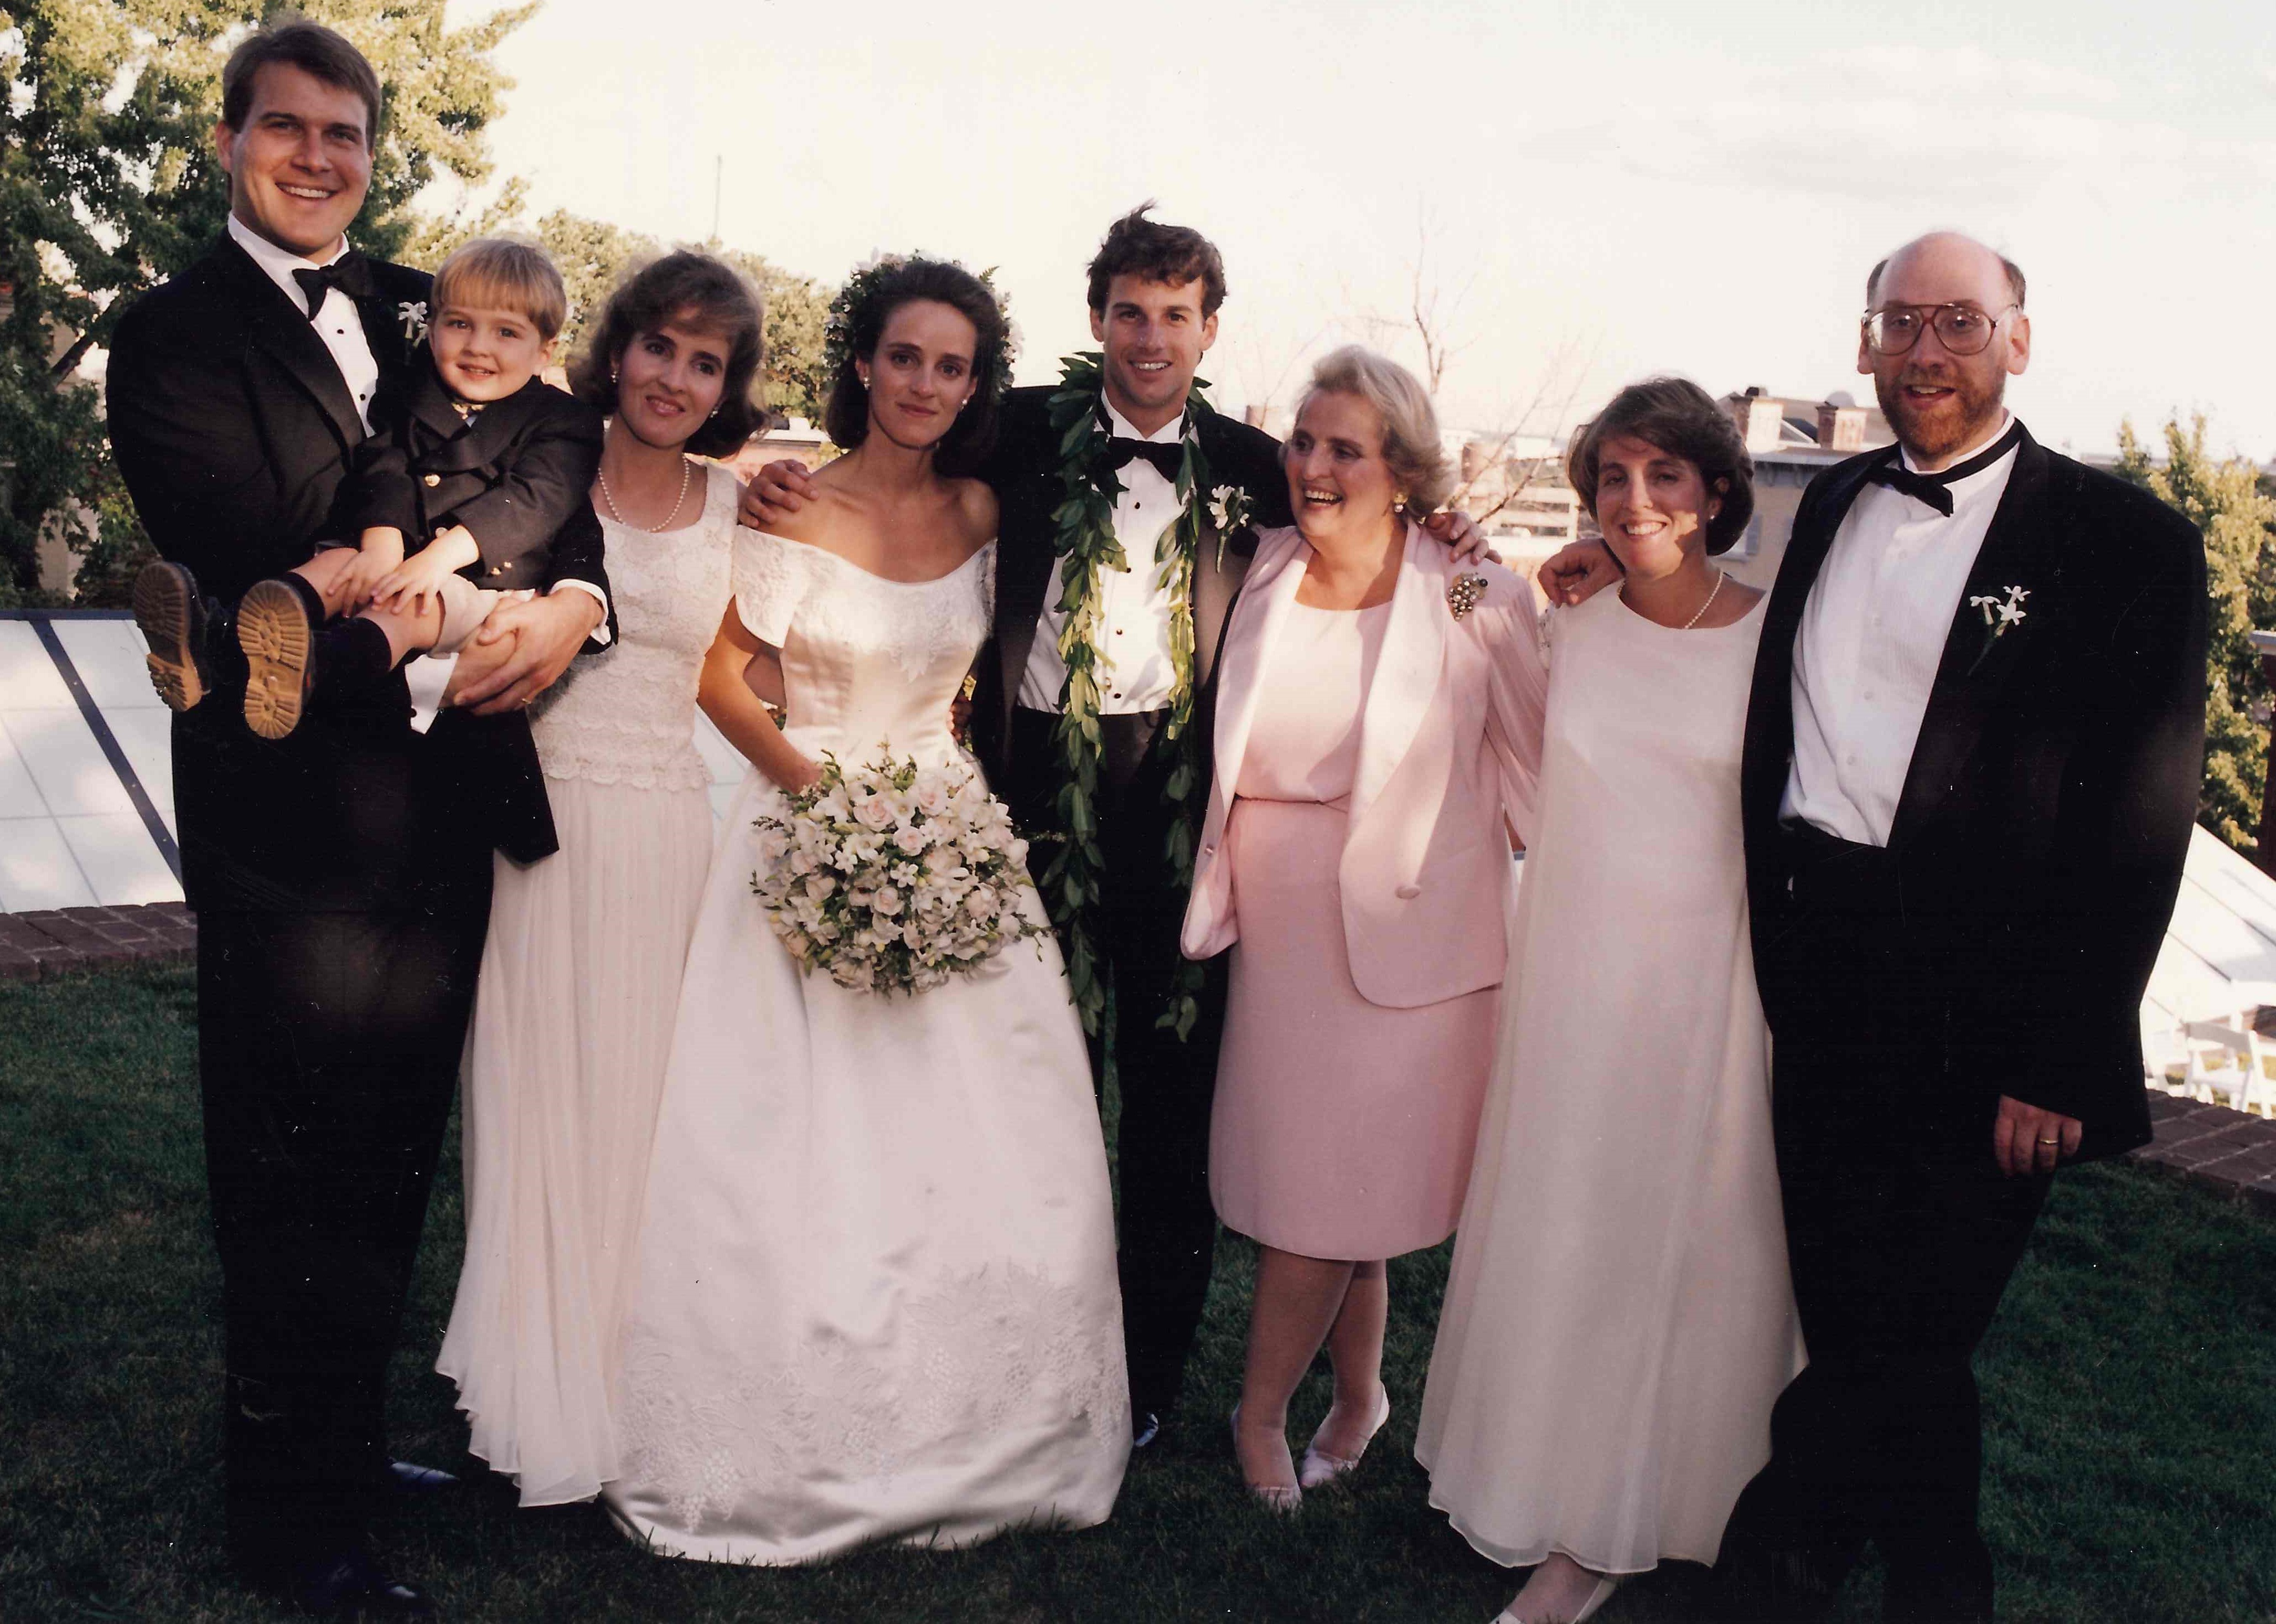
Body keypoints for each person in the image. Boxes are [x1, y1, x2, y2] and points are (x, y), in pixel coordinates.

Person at [1543, 232, 2205, 1622]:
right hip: (1819, 975)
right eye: (1899, 323)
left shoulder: (2124, 543)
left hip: (1993, 1009)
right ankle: (1918, 1587)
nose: (1924, 351)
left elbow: (2138, 824)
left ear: (2018, 339)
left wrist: (2060, 1054)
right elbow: (1731, 626)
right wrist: (1610, 561)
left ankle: (1772, 1579)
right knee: (1866, 1321)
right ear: (1864, 344)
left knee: (1901, 1329)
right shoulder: (1835, 497)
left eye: (1957, 321)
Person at [749, 208, 1487, 1447]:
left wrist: (1457, 535)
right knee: (1013, 1082)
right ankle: (995, 1345)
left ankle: (1141, 1381)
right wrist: (780, 479)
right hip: (1020, 790)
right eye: (1129, 312)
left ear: (1210, 330)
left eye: (1176, 316)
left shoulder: (1259, 464)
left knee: (1166, 1103)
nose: (1151, 338)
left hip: (1185, 806)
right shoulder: (1014, 427)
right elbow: (893, 469)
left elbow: (1374, 521)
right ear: (1096, 320)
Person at [105, 21, 609, 1617]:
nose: (317, 157)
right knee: (286, 1170)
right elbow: (245, 537)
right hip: (285, 824)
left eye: (345, 134)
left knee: (392, 1155)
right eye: (286, 127)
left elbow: (559, 447)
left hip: (443, 808)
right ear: (228, 141)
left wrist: (578, 595)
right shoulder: (168, 333)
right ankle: (287, 1516)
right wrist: (416, 570)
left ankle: (344, 1445)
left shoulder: (428, 299)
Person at [604, 255, 1129, 1563]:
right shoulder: (791, 505)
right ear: (862, 363)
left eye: (952, 367)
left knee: (988, 1141)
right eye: (905, 358)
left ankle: (994, 1429)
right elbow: (721, 680)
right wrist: (819, 800)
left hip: (949, 830)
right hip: (806, 814)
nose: (925, 386)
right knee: (789, 1141)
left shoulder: (984, 511)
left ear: (975, 385)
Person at [1415, 379, 1800, 1624]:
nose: (1635, 502)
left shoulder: (1774, 639)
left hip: (1709, 984)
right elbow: (1462, 630)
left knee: (1680, 1233)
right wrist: (1464, 554)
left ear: (1716, 492)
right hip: (1574, 971)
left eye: (1664, 476)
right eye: (1613, 479)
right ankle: (1553, 1484)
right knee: (1572, 1217)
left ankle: (1651, 1506)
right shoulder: (1569, 618)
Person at [1180, 347, 1542, 1513]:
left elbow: (1536, 766)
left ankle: (1256, 1415)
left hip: (1414, 943)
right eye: (1303, 441)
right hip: (1279, 940)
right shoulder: (1257, 566)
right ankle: (1358, 1398)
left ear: (1403, 470)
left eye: (1346, 448)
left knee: (1332, 1194)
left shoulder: (1468, 591)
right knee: (1344, 1193)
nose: (1314, 466)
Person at [435, 251, 764, 1508]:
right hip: (534, 826)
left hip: (665, 835)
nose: (675, 377)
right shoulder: (543, 467)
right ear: (616, 350)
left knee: (642, 1116)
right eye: (658, 346)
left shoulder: (742, 508)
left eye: (704, 361)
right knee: (529, 1105)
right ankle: (529, 1396)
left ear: (726, 385)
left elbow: (745, 677)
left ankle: (629, 1385)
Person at [229, 234, 602, 745]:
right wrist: (381, 545)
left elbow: (531, 503)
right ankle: (236, 636)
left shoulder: (566, 421)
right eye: (460, 324)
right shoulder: (411, 394)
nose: (478, 346)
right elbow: (385, 466)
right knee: (337, 565)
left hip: (482, 583)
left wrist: (434, 561)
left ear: (544, 352)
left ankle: (318, 671)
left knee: (409, 608)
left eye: (506, 332)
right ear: (433, 329)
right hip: (404, 554)